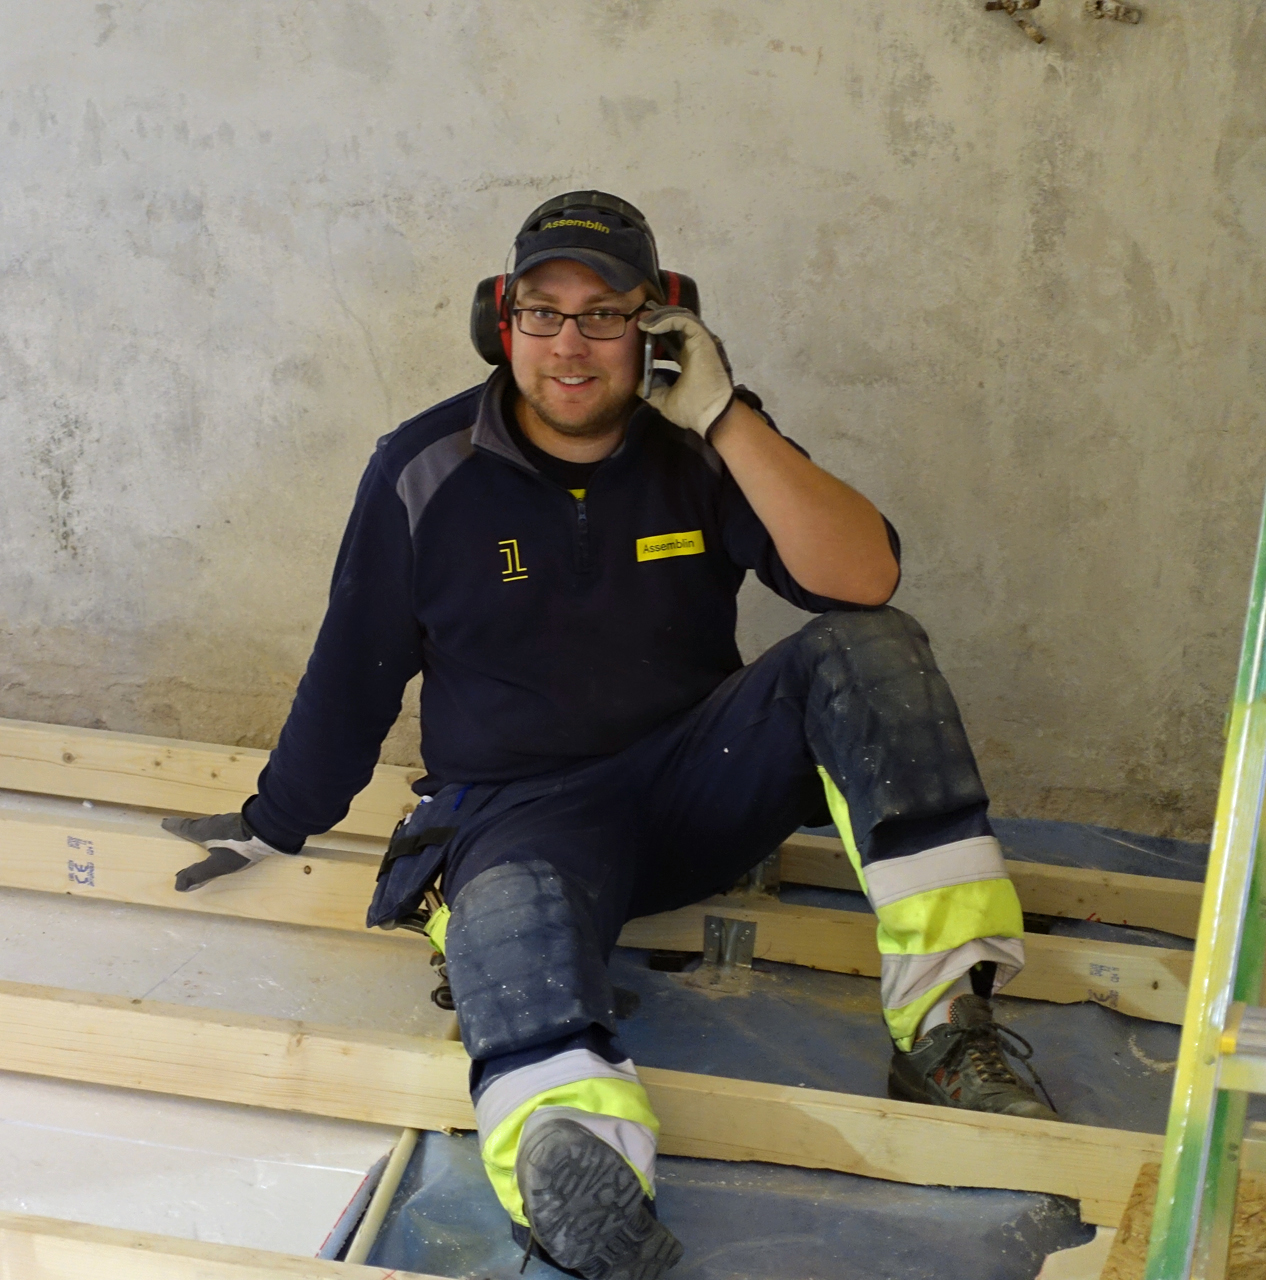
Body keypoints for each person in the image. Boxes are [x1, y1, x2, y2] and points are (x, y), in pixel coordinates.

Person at [164, 191, 1051, 1280]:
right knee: (505, 925)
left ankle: (949, 1027)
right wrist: (275, 820)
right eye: (543, 312)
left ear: (658, 325)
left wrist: (726, 415)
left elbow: (862, 578)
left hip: (695, 792)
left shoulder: (707, 444)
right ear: (501, 322)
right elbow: (354, 669)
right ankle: (585, 1177)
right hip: (519, 819)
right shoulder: (424, 467)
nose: (571, 344)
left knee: (872, 649)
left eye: (605, 314)